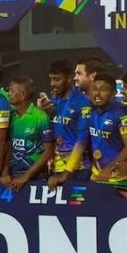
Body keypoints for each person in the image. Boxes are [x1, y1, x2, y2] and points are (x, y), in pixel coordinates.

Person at [38, 60, 91, 188]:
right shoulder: (53, 99)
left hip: (77, 169)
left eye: (57, 79)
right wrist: (42, 112)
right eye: (51, 79)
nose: (52, 84)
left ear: (69, 78)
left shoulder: (82, 101)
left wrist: (66, 174)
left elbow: (82, 140)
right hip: (56, 167)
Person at [3, 77, 54, 191]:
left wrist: (25, 177)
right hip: (13, 174)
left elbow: (49, 151)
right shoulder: (10, 115)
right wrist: (5, 173)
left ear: (22, 95)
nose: (8, 93)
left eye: (12, 91)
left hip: (36, 176)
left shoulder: (40, 117)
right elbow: (8, 145)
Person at [84, 73, 127, 182]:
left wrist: (110, 167)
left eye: (103, 90)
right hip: (96, 175)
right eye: (94, 89)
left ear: (114, 93)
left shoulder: (122, 113)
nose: (97, 94)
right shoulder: (91, 110)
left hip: (118, 177)